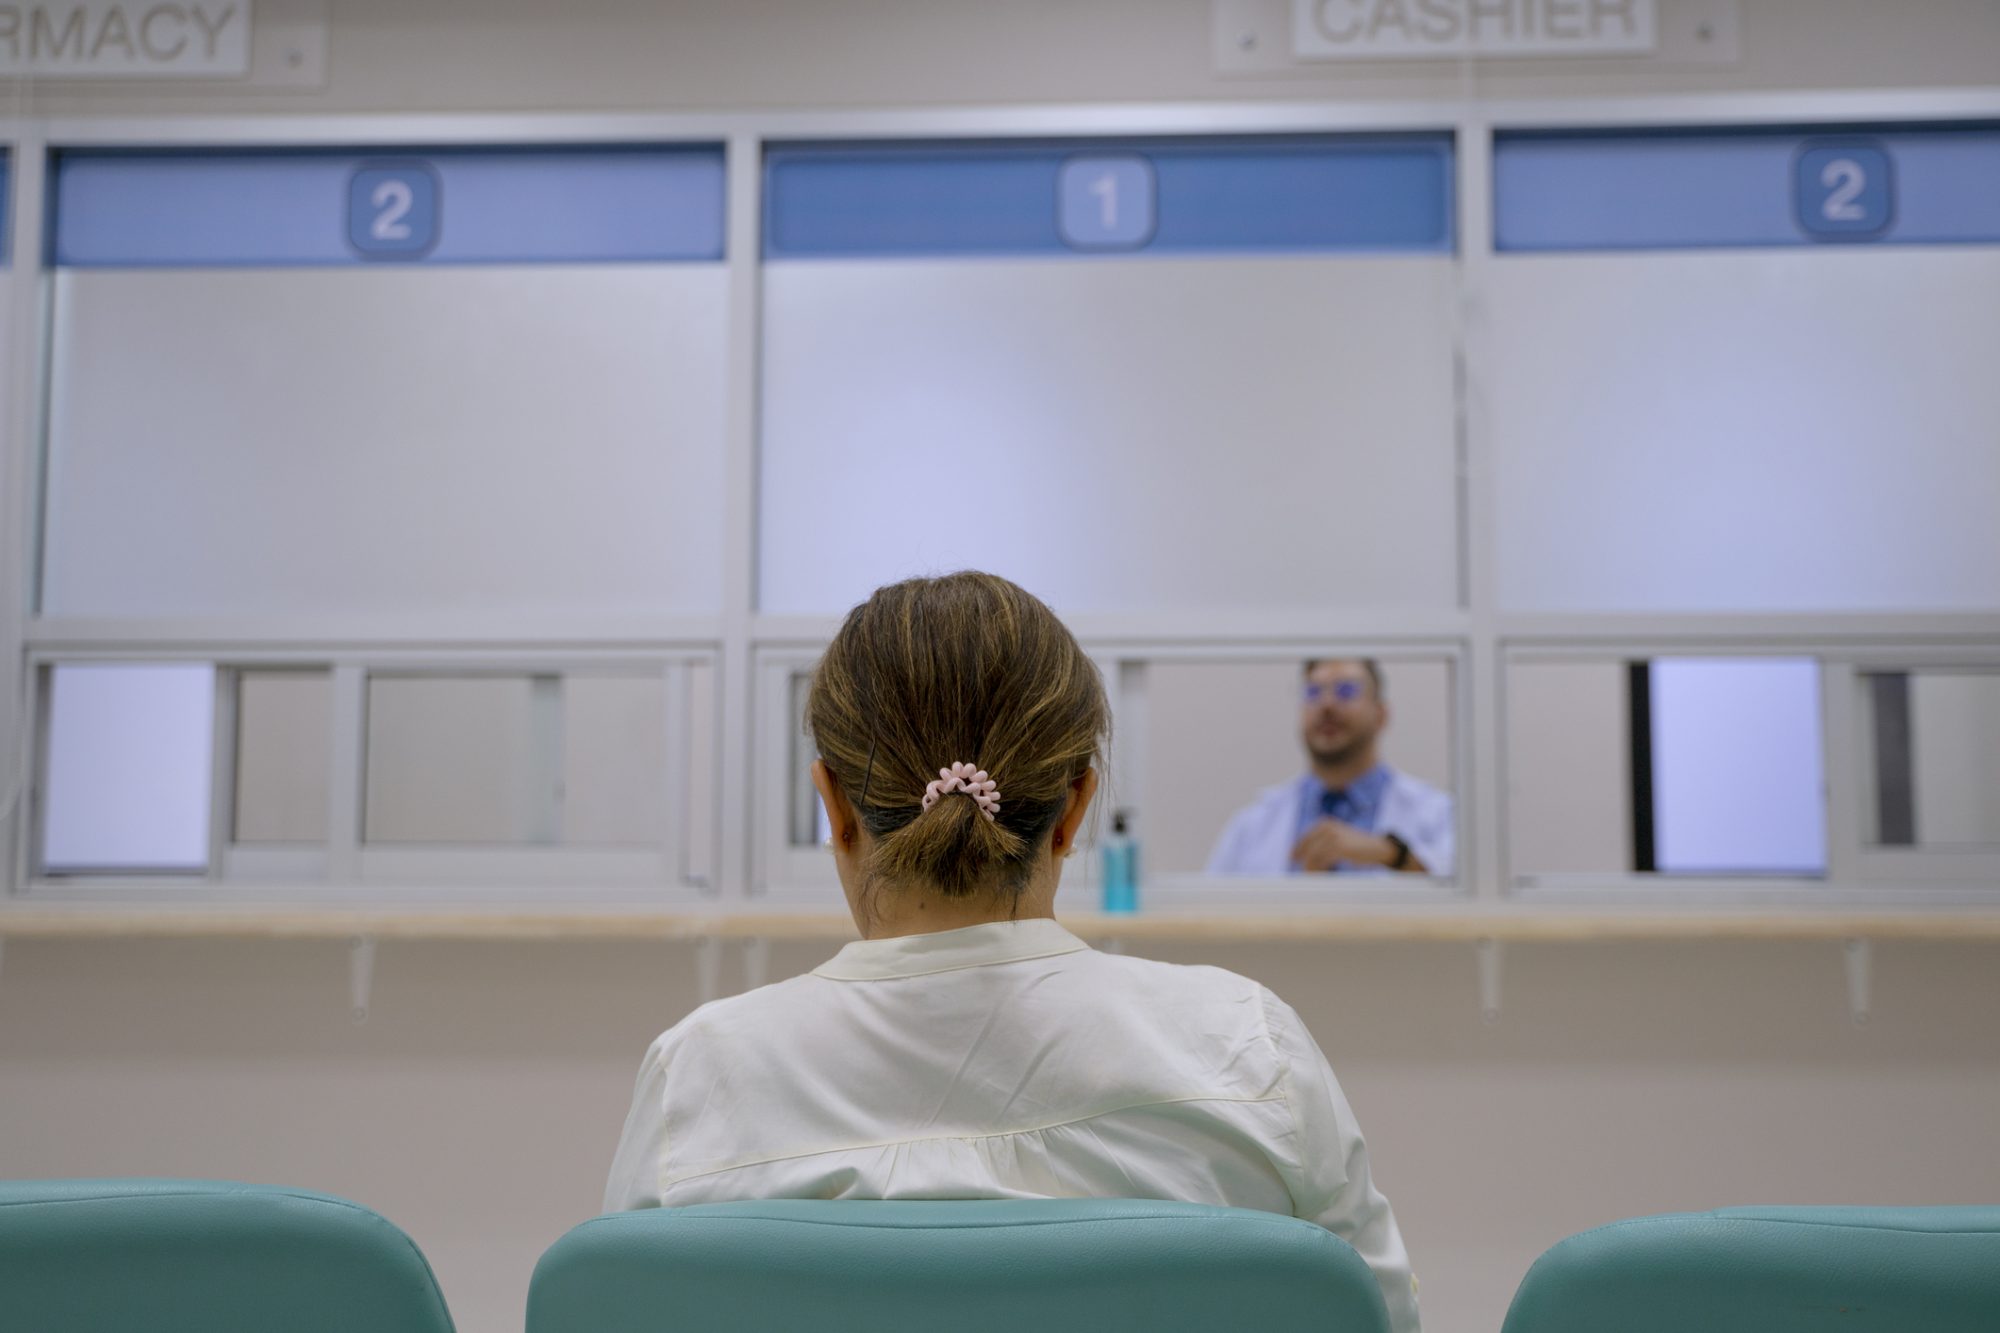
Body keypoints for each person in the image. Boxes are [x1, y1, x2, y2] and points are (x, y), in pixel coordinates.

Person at [604, 573, 1421, 1333]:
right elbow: (1380, 1316)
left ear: (835, 810)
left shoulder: (701, 1079)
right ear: (1074, 811)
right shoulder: (1246, 1049)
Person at [1206, 659, 1454, 878]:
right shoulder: (1252, 826)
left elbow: (1470, 892)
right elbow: (1209, 918)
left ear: (1381, 714)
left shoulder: (1437, 814)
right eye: (1313, 692)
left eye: (1346, 691)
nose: (1326, 704)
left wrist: (1392, 854)